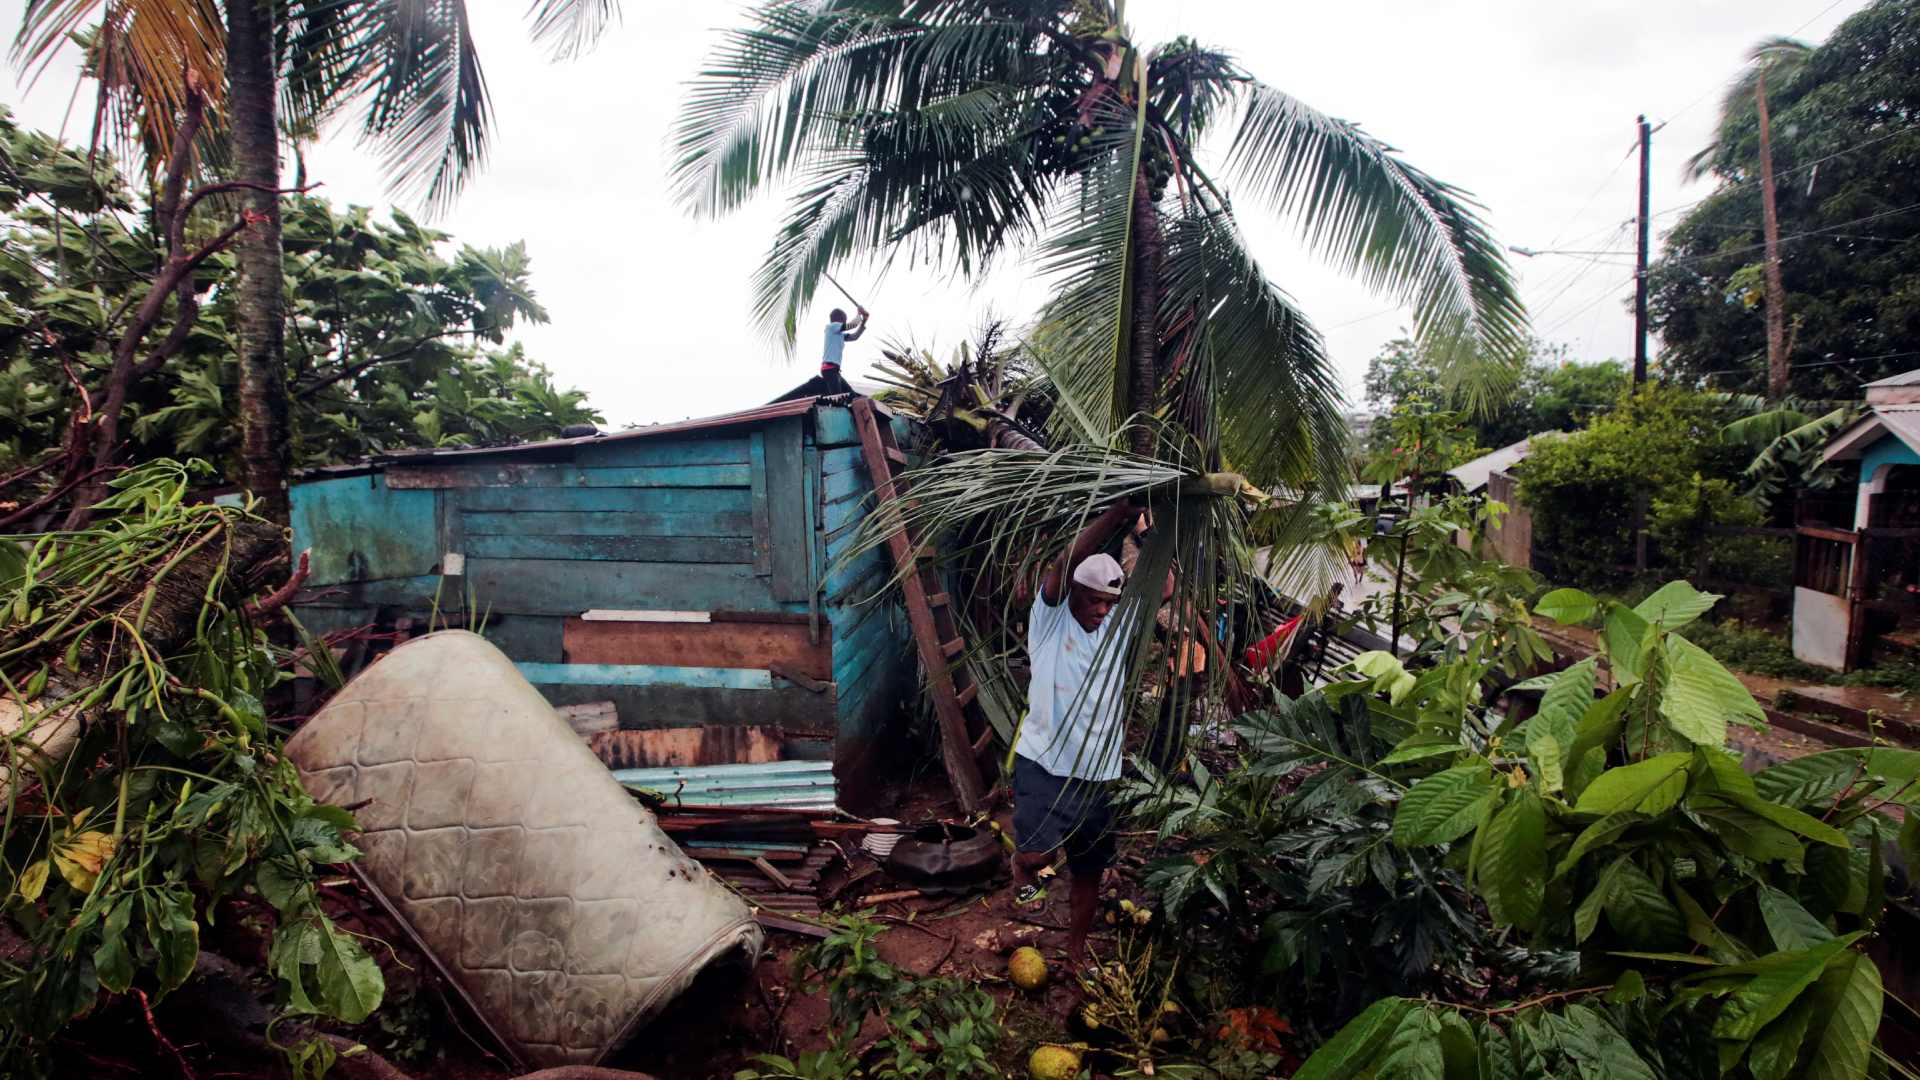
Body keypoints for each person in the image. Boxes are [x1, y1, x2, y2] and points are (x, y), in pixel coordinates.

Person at [1009, 501, 1154, 964]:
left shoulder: (1118, 625)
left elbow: (1164, 585)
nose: (1099, 610)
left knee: (1088, 870)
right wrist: (1118, 515)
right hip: (1045, 763)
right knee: (1035, 858)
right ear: (1072, 592)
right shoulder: (1049, 621)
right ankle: (1026, 885)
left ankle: (1073, 950)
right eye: (1092, 600)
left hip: (1099, 775)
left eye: (1108, 602)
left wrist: (1151, 532)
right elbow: (1062, 565)